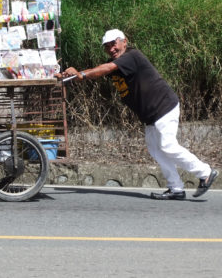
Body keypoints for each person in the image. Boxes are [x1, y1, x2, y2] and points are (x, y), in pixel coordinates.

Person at [58, 28, 218, 200]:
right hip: (151, 115)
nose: (111, 49)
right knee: (155, 149)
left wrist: (80, 74)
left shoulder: (132, 56)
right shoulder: (117, 64)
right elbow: (99, 70)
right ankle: (176, 188)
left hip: (163, 107)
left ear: (124, 42)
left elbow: (105, 68)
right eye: (107, 47)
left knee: (168, 146)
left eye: (114, 44)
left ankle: (206, 173)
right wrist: (69, 76)